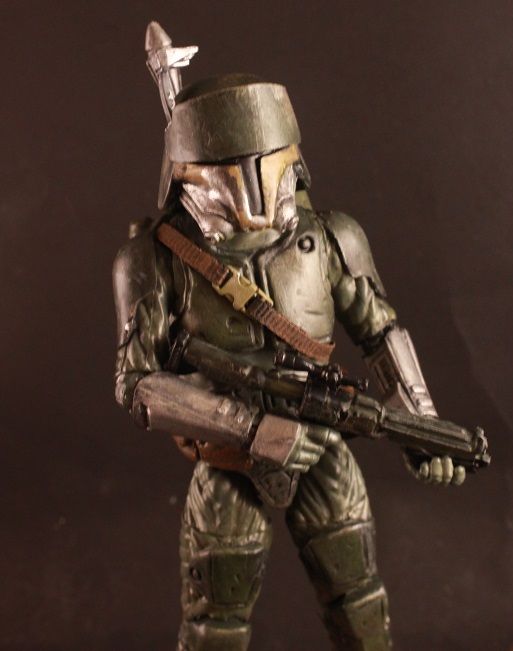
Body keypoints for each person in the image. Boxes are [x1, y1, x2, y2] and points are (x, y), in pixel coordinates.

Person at [113, 26, 465, 651]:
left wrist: (421, 425)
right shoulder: (154, 259)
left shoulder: (329, 238)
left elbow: (381, 332)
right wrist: (248, 428)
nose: (250, 186)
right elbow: (137, 386)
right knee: (215, 625)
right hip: (227, 460)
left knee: (359, 602)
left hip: (322, 445)